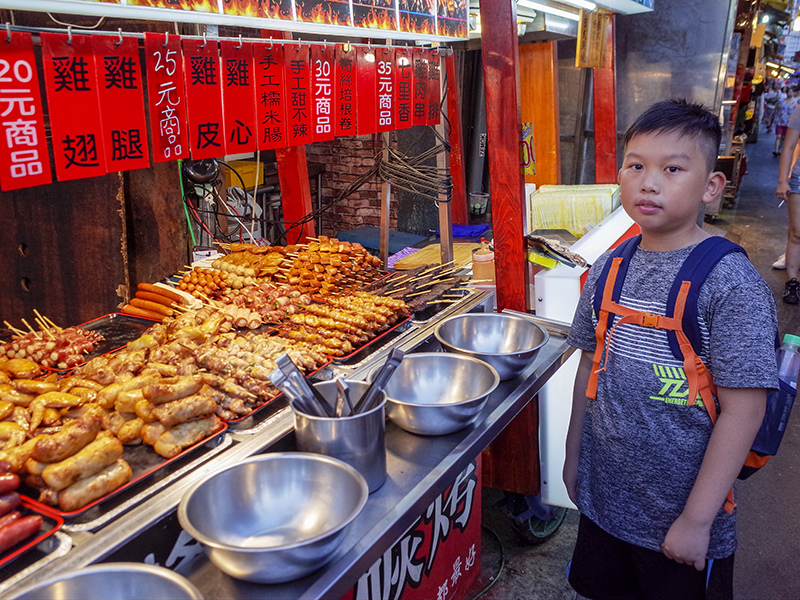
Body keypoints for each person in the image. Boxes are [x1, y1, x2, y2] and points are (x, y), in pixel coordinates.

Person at [563, 99, 778, 600]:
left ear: (710, 187)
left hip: (681, 521)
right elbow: (589, 367)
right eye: (635, 165)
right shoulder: (609, 267)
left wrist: (696, 521)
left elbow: (745, 411)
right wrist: (574, 458)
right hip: (604, 505)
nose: (648, 182)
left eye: (672, 169)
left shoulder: (730, 284)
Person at [775, 102, 800, 301]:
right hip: (799, 180)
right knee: (798, 232)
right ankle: (793, 281)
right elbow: (789, 147)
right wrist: (783, 180)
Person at [773, 85, 798, 157]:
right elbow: (776, 109)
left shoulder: (795, 103)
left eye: (791, 92)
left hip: (788, 122)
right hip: (780, 121)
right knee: (779, 136)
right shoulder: (781, 101)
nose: (790, 93)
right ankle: (776, 150)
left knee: (784, 137)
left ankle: (780, 149)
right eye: (789, 91)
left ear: (793, 93)